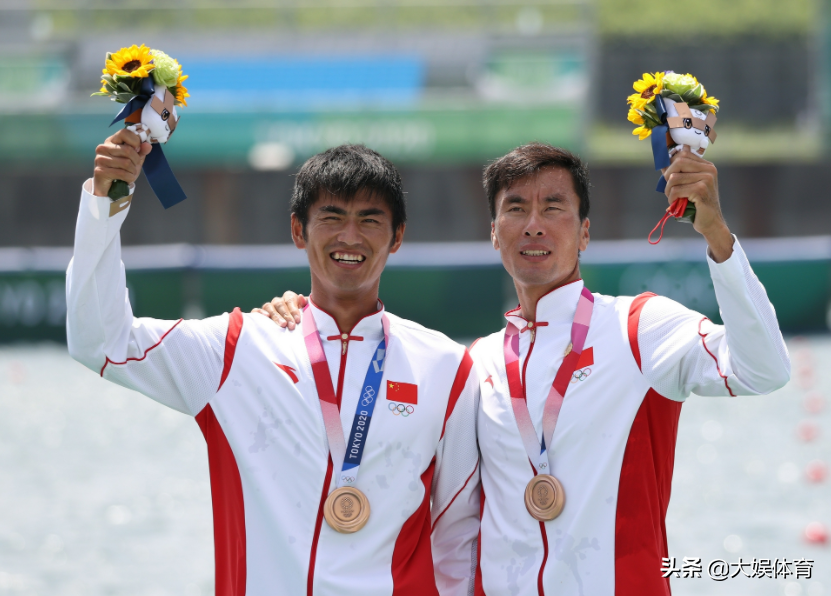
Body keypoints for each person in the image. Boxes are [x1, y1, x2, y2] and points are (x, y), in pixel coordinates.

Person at [259, 143, 790, 595]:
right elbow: (453, 522)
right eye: (516, 208)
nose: (533, 225)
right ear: (495, 233)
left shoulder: (640, 327)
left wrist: (716, 233)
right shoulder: (477, 363)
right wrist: (296, 312)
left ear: (583, 233)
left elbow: (763, 370)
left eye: (553, 206)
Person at [66, 132, 481, 596]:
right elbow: (100, 340)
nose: (350, 236)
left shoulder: (447, 368)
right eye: (332, 217)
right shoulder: (235, 350)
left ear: (397, 236)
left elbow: (458, 539)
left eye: (370, 220)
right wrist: (107, 198)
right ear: (298, 231)